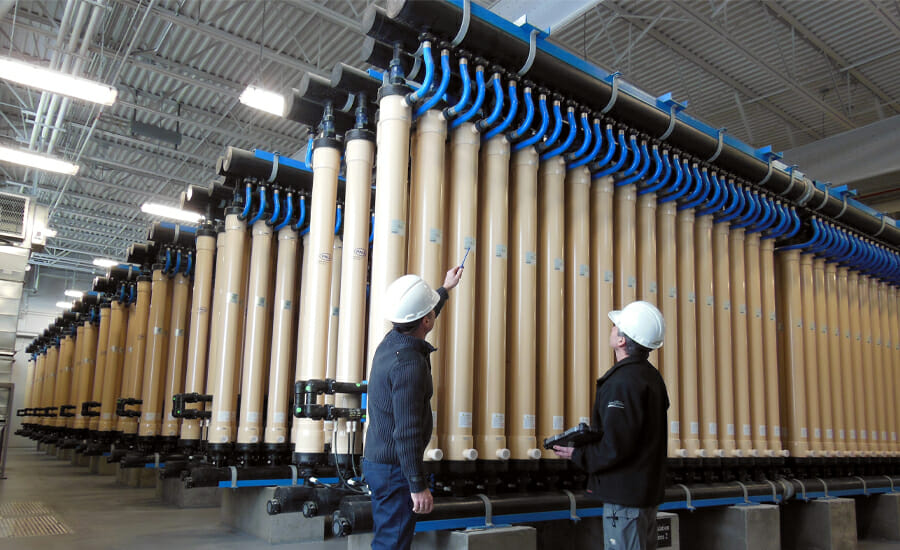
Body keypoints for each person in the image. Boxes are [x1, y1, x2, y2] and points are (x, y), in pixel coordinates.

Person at [553, 300, 669, 550]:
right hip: (644, 494)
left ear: (621, 341)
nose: (612, 329)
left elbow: (616, 446)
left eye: (616, 326)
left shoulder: (623, 382)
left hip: (625, 499)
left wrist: (578, 453)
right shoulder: (651, 377)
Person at [363, 266, 463, 550]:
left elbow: (419, 317)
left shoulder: (392, 341)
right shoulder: (409, 365)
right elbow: (406, 432)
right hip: (395, 470)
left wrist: (445, 289)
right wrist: (417, 485)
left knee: (390, 539)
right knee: (392, 543)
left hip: (380, 462)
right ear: (427, 322)